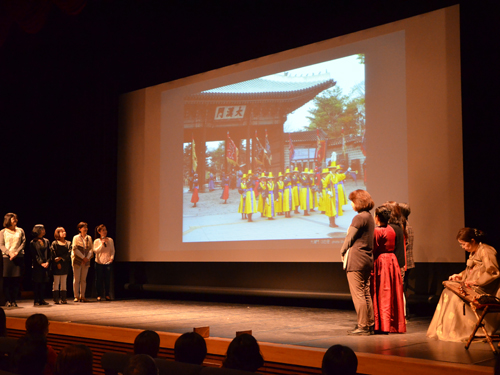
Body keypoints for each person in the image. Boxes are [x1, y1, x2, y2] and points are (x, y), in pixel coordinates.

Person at [427, 228, 500, 342]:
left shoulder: (486, 250)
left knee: (455, 297)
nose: (463, 247)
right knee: (447, 291)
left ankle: (461, 330)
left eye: (464, 244)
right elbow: (470, 270)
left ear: (472, 241)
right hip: (473, 286)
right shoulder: (473, 252)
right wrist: (460, 275)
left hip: (483, 290)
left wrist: (476, 282)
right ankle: (445, 329)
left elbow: (493, 272)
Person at [340, 189, 375, 335]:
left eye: (352, 202)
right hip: (366, 259)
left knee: (359, 294)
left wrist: (342, 250)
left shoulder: (359, 218)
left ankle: (362, 326)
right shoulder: (369, 217)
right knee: (365, 293)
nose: (351, 205)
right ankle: (369, 324)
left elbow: (349, 238)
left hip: (356, 259)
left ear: (358, 202)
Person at [371, 206, 406, 333]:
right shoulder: (392, 229)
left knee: (382, 293)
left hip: (382, 262)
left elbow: (373, 248)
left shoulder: (377, 231)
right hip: (392, 261)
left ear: (378, 217)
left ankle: (383, 326)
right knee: (392, 293)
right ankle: (393, 324)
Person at [0, 212, 26, 307]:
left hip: (18, 257)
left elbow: (23, 242)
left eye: (16, 219)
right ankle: (8, 300)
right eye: (13, 219)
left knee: (16, 280)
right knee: (7, 280)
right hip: (7, 258)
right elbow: (1, 245)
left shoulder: (20, 230)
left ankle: (14, 300)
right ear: (8, 220)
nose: (16, 220)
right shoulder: (3, 232)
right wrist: (9, 253)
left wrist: (16, 252)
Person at [71, 222, 93, 302]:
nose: (86, 229)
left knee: (83, 279)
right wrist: (83, 257)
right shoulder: (76, 237)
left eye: (86, 227)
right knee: (76, 279)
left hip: (86, 261)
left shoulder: (89, 237)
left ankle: (82, 296)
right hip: (77, 260)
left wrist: (87, 258)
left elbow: (91, 249)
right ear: (80, 229)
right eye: (84, 227)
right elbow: (75, 249)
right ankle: (76, 296)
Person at [30, 224, 51, 306]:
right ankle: (36, 300)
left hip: (46, 264)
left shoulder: (46, 241)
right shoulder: (33, 242)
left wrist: (48, 262)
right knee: (37, 283)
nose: (44, 230)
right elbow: (34, 255)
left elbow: (49, 253)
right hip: (37, 265)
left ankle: (42, 299)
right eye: (42, 229)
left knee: (43, 283)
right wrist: (41, 263)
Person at [94, 224, 115, 301]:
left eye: (105, 230)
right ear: (99, 232)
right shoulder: (96, 241)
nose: (105, 231)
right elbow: (96, 251)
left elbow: (112, 250)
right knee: (99, 279)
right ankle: (99, 295)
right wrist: (102, 244)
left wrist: (111, 258)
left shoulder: (110, 240)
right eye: (103, 230)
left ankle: (107, 294)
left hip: (107, 262)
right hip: (99, 262)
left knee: (107, 279)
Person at [51, 227, 71, 304]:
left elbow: (69, 253)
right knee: (56, 281)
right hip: (56, 264)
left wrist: (61, 258)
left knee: (63, 281)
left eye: (64, 231)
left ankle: (63, 298)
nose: (64, 233)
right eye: (62, 232)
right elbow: (53, 254)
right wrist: (57, 262)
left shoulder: (68, 243)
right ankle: (55, 298)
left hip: (65, 264)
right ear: (57, 234)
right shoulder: (54, 243)